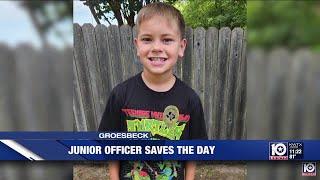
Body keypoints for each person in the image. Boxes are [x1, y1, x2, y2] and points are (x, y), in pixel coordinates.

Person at [98, 2, 207, 180]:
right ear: (137, 46)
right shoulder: (120, 95)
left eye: (167, 39)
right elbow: (111, 146)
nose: (156, 47)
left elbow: (193, 151)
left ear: (181, 46)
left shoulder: (190, 100)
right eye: (147, 39)